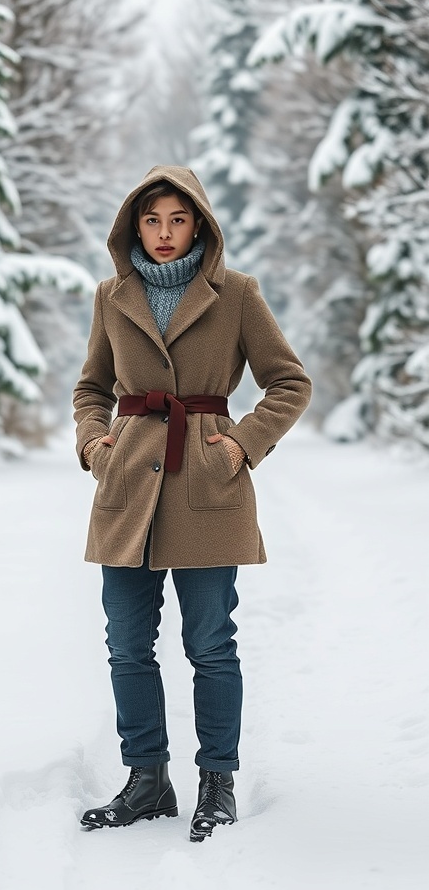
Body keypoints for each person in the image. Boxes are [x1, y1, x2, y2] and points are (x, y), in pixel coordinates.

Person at [73, 165, 311, 842]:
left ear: (200, 224)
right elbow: (90, 388)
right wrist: (96, 447)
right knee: (127, 645)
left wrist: (237, 447)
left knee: (210, 644)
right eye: (152, 220)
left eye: (179, 220)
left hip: (208, 483)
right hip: (127, 490)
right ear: (133, 227)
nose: (165, 233)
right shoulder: (110, 295)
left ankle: (217, 781)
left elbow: (289, 382)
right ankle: (146, 780)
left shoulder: (236, 294)